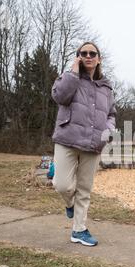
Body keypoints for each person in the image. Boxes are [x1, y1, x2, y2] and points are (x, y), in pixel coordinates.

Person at [51, 42, 116, 246]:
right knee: (61, 184)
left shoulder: (106, 87)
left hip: (93, 144)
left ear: (99, 58)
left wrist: (108, 131)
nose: (88, 56)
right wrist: (72, 73)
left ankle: (79, 230)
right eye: (83, 53)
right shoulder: (69, 78)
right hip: (67, 139)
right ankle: (70, 203)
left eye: (92, 53)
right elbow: (59, 96)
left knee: (84, 190)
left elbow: (112, 114)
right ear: (78, 57)